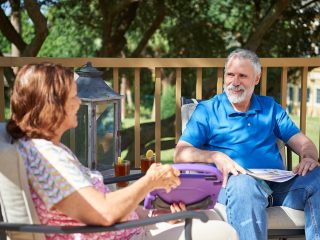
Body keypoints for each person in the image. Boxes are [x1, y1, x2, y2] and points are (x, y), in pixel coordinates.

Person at [6, 63, 238, 240]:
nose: (79, 103)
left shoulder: (47, 148)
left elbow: (98, 205)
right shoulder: (47, 158)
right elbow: (104, 212)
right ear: (52, 104)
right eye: (74, 96)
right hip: (124, 235)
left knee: (213, 215)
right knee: (220, 232)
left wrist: (155, 213)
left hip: (126, 227)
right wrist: (150, 181)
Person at [174, 48, 320, 240]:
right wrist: (214, 156)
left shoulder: (270, 108)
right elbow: (180, 153)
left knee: (317, 175)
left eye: (242, 76)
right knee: (244, 183)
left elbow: (303, 142)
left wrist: (309, 157)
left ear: (256, 79)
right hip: (234, 186)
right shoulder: (207, 111)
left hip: (277, 187)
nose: (235, 82)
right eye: (230, 75)